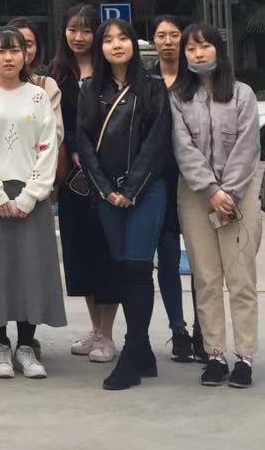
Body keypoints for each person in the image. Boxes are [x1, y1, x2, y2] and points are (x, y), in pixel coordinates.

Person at [0, 26, 67, 380]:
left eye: (15, 50)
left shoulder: (38, 96)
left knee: (29, 269)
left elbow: (48, 146)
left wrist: (29, 196)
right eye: (1, 50)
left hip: (31, 196)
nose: (8, 57)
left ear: (26, 55)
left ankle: (26, 344)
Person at [77, 19, 174, 391]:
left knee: (137, 268)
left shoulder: (153, 88)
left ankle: (132, 355)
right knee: (121, 268)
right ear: (99, 48)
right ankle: (144, 351)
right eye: (108, 40)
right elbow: (84, 142)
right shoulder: (90, 89)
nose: (116, 45)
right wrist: (106, 189)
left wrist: (131, 188)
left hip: (146, 192)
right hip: (107, 195)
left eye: (123, 38)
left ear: (134, 44)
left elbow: (156, 143)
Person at [169, 22, 262, 389]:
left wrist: (230, 191)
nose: (198, 53)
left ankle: (245, 357)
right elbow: (182, 147)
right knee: (206, 279)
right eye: (191, 48)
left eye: (205, 46)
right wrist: (210, 190)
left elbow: (248, 146)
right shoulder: (178, 97)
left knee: (241, 279)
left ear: (219, 50)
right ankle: (215, 355)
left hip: (239, 196)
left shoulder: (242, 94)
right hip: (196, 197)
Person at [50, 4, 121, 365]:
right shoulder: (56, 75)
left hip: (107, 178)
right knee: (81, 256)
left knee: (107, 255)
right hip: (72, 182)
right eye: (72, 30)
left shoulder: (111, 74)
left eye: (86, 30)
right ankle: (95, 329)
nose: (78, 37)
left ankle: (108, 334)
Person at [149, 14, 198, 364]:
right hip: (159, 181)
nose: (168, 41)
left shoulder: (198, 81)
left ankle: (204, 329)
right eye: (161, 35)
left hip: (195, 180)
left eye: (174, 34)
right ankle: (178, 329)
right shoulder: (146, 81)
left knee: (201, 260)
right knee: (167, 258)